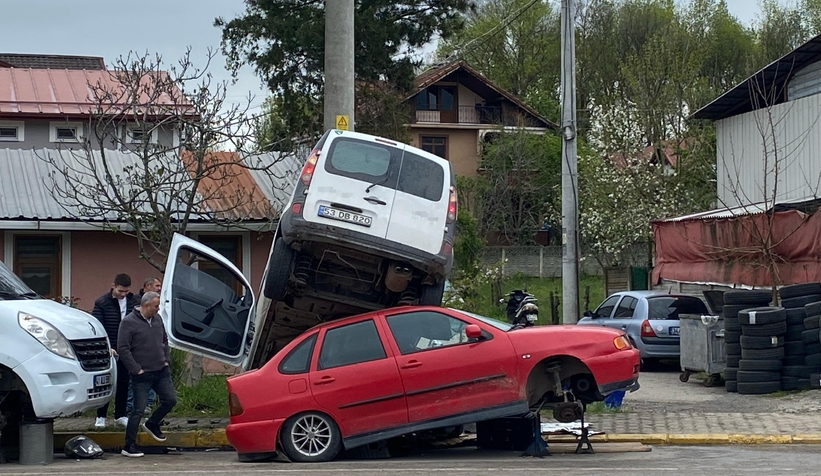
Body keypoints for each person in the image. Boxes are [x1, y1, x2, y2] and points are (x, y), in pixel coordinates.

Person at [117, 291, 177, 458]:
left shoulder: (157, 319)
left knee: (170, 400)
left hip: (161, 370)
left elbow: (164, 340)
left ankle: (152, 424)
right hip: (142, 374)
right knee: (138, 410)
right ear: (146, 305)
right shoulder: (129, 322)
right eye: (156, 306)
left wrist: (166, 360)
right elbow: (123, 348)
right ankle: (129, 445)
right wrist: (136, 369)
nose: (158, 309)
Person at [92, 273, 140, 428]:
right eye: (120, 291)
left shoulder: (134, 302)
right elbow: (98, 326)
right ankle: (101, 416)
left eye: (126, 291)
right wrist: (107, 347)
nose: (123, 294)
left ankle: (120, 415)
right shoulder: (102, 302)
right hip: (109, 349)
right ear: (113, 286)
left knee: (124, 382)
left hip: (127, 349)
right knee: (105, 382)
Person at [128, 276, 163, 413]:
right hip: (138, 351)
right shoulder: (136, 304)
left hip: (154, 353)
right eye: (157, 286)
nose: (159, 289)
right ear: (147, 286)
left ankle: (147, 403)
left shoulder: (156, 315)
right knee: (137, 381)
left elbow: (164, 338)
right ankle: (133, 406)